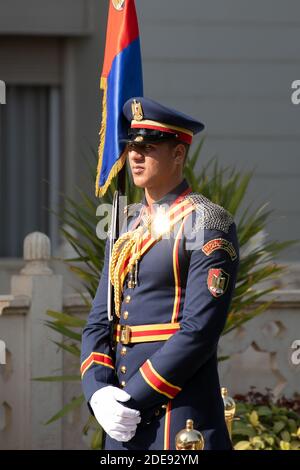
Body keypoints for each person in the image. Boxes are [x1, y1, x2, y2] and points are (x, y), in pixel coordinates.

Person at [80, 97, 239, 450]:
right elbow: (99, 321)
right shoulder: (123, 224)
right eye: (132, 147)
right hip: (119, 419)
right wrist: (98, 393)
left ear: (178, 154)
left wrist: (131, 399)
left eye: (149, 148)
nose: (135, 156)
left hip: (178, 417)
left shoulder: (209, 222)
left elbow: (199, 332)